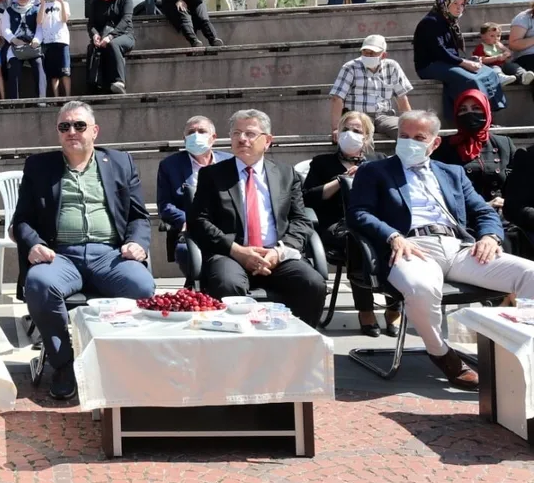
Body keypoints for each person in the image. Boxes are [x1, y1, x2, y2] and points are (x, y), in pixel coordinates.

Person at [348, 110, 534, 390]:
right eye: (404, 136)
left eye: (418, 138)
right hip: (411, 247)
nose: (409, 142)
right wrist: (393, 236)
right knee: (421, 286)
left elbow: (483, 211)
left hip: (458, 248)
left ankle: (520, 350)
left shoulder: (452, 172)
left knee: (529, 273)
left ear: (435, 143)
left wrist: (490, 237)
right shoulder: (375, 171)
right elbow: (359, 213)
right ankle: (442, 354)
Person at [13, 101, 156, 400]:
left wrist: (137, 243)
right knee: (39, 283)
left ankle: (120, 358)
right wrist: (34, 244)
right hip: (60, 255)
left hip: (110, 255)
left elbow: (139, 217)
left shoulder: (120, 162)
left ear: (95, 131)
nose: (72, 132)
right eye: (64, 126)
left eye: (79, 125)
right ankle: (63, 364)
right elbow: (22, 220)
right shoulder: (39, 166)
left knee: (141, 285)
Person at [188, 109, 328, 326]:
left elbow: (301, 220)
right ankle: (238, 343)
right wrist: (238, 251)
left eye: (250, 133)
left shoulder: (285, 174)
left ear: (267, 141)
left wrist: (278, 252)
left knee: (312, 284)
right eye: (236, 133)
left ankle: (295, 342)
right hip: (231, 254)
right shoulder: (212, 175)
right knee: (226, 284)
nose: (242, 139)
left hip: (277, 255)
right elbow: (198, 221)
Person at [303, 111, 395, 336]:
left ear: (367, 137)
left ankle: (394, 308)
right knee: (356, 240)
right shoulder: (322, 162)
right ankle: (366, 310)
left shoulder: (379, 161)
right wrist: (341, 180)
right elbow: (308, 198)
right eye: (345, 129)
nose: (349, 134)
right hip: (338, 225)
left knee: (394, 237)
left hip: (374, 221)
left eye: (356, 130)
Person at [156, 116, 233, 279]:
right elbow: (165, 205)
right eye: (191, 132)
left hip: (226, 228)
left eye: (202, 131)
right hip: (191, 230)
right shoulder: (170, 166)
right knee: (185, 251)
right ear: (184, 139)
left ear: (213, 138)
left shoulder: (229, 162)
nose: (196, 135)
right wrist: (187, 221)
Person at [413, 0, 507, 121]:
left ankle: (490, 111)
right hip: (430, 65)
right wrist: (463, 63)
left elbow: (451, 52)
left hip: (448, 62)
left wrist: (468, 61)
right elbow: (439, 51)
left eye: (462, 4)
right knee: (471, 80)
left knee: (489, 72)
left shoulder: (449, 21)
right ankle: (477, 119)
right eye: (455, 4)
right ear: (445, 4)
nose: (459, 8)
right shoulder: (430, 22)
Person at [433, 89, 514, 213]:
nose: (469, 114)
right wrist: (484, 205)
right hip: (464, 214)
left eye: (476, 108)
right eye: (463, 110)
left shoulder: (503, 143)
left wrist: (507, 202)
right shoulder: (444, 146)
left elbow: (518, 182)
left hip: (503, 213)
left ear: (486, 111)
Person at [329, 34, 414, 140]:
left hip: (384, 116)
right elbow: (337, 98)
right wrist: (336, 128)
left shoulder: (392, 67)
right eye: (365, 52)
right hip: (357, 116)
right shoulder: (350, 67)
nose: (368, 56)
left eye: (373, 53)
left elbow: (402, 99)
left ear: (383, 55)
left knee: (408, 133)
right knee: (355, 136)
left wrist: (411, 124)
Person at [88, 0, 137, 94]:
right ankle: (94, 85)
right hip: (103, 36)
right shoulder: (97, 2)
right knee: (92, 48)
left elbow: (126, 19)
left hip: (125, 35)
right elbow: (91, 24)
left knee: (113, 44)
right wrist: (95, 35)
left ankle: (120, 82)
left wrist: (111, 36)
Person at [3, 0, 44, 99]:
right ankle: (14, 102)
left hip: (32, 46)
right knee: (14, 67)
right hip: (16, 47)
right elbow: (5, 29)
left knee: (38, 64)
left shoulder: (35, 10)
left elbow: (40, 28)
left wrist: (36, 40)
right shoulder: (9, 11)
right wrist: (14, 40)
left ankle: (41, 100)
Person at [35, 0, 71, 98]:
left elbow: (65, 19)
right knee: (53, 74)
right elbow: (39, 21)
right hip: (48, 41)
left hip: (62, 40)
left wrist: (61, 2)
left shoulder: (64, 4)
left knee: (65, 71)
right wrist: (42, 3)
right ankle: (56, 98)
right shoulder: (42, 5)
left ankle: (68, 97)